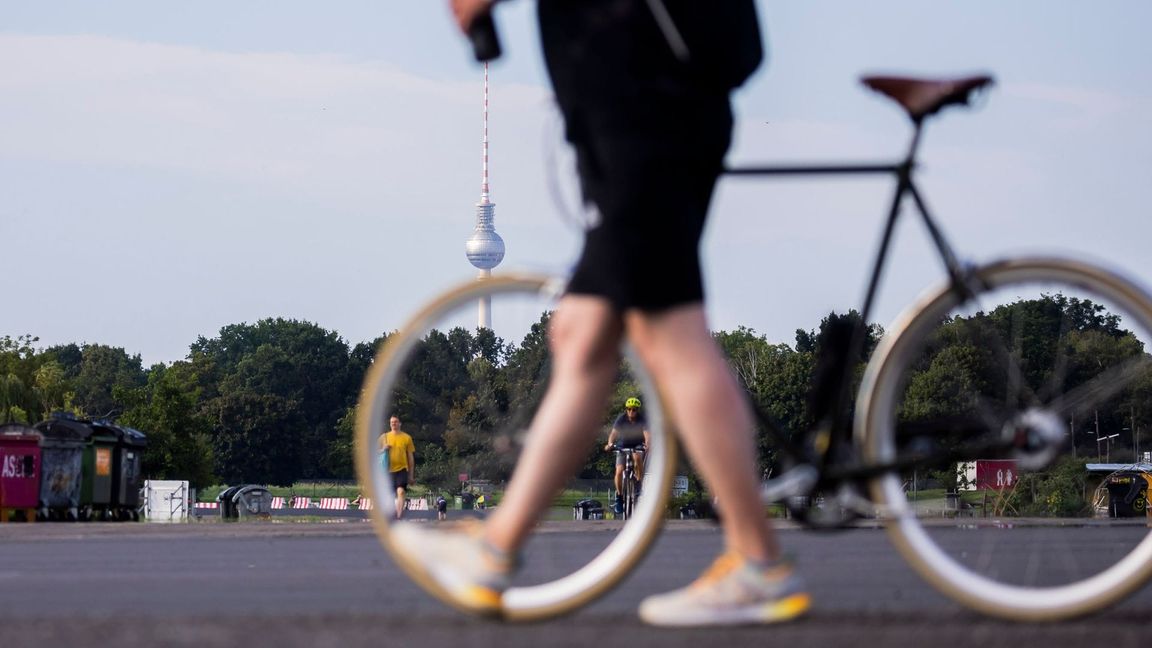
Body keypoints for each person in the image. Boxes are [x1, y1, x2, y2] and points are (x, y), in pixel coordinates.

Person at [391, 0, 810, 627]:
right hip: (638, 108)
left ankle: (758, 560)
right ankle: (495, 548)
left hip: (645, 108)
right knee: (583, 332)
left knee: (669, 333)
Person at [604, 397, 650, 513]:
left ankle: (638, 484)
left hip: (637, 445)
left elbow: (647, 435)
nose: (631, 412)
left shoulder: (642, 420)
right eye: (629, 409)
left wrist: (648, 444)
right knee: (619, 471)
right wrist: (610, 444)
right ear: (626, 409)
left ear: (637, 410)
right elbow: (613, 434)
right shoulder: (621, 419)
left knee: (637, 457)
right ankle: (619, 497)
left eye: (634, 409)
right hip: (622, 446)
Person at [379, 415, 416, 520]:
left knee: (401, 491)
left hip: (402, 469)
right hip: (387, 470)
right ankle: (390, 514)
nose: (393, 424)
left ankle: (399, 515)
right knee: (389, 495)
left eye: (395, 422)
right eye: (391, 422)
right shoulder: (384, 437)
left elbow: (410, 458)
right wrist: (383, 449)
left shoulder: (406, 438)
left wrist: (411, 475)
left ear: (400, 423)